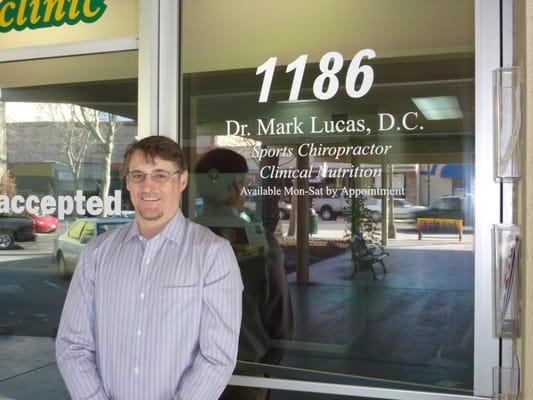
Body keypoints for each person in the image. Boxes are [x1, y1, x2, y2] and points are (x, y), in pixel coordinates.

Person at [55, 136, 244, 400]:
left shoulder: (213, 255)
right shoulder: (96, 253)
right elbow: (72, 346)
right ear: (128, 183)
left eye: (160, 175)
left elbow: (216, 358)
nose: (148, 186)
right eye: (138, 175)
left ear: (182, 181)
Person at [193, 148, 294, 400]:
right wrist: (264, 362)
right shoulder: (259, 241)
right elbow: (280, 319)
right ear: (237, 186)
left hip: (184, 373)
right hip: (243, 375)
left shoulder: (177, 239)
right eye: (245, 183)